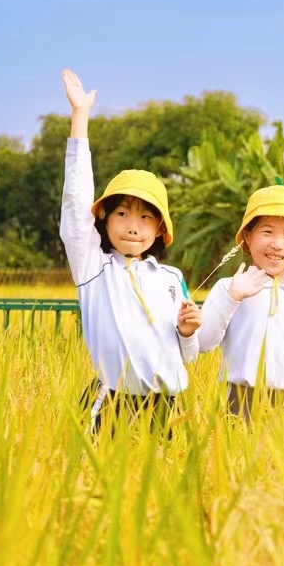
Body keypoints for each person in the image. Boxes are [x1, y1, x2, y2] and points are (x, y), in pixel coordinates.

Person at [59, 69, 200, 432]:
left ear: (160, 229)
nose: (132, 225)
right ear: (104, 219)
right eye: (122, 213)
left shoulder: (172, 279)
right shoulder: (94, 268)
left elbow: (188, 354)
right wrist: (80, 118)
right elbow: (75, 207)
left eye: (145, 217)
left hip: (167, 407)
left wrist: (187, 332)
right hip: (111, 402)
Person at [196, 185, 284, 420]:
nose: (278, 244)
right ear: (247, 236)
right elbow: (202, 343)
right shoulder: (228, 288)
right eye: (267, 232)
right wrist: (232, 298)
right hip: (241, 402)